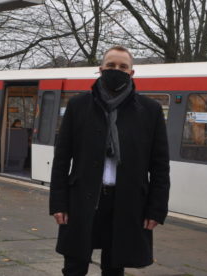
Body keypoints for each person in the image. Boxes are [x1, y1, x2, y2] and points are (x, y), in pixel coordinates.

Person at [49, 46, 170, 276]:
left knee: (115, 267)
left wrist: (156, 210)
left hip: (127, 201)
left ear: (132, 73)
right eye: (111, 65)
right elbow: (62, 160)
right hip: (82, 200)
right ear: (101, 69)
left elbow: (160, 166)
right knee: (74, 265)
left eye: (123, 67)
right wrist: (58, 203)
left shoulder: (150, 110)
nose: (117, 70)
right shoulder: (78, 106)